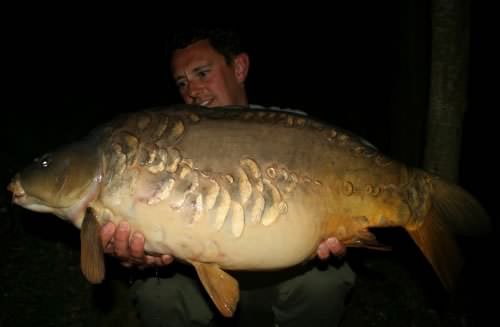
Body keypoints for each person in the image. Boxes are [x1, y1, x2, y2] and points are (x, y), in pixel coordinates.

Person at [100, 28, 355, 327]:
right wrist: (141, 253)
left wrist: (335, 228)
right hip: (194, 273)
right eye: (182, 82)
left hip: (279, 266)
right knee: (159, 293)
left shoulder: (293, 130)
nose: (192, 90)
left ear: (239, 67)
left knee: (325, 282)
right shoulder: (167, 141)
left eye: (202, 73)